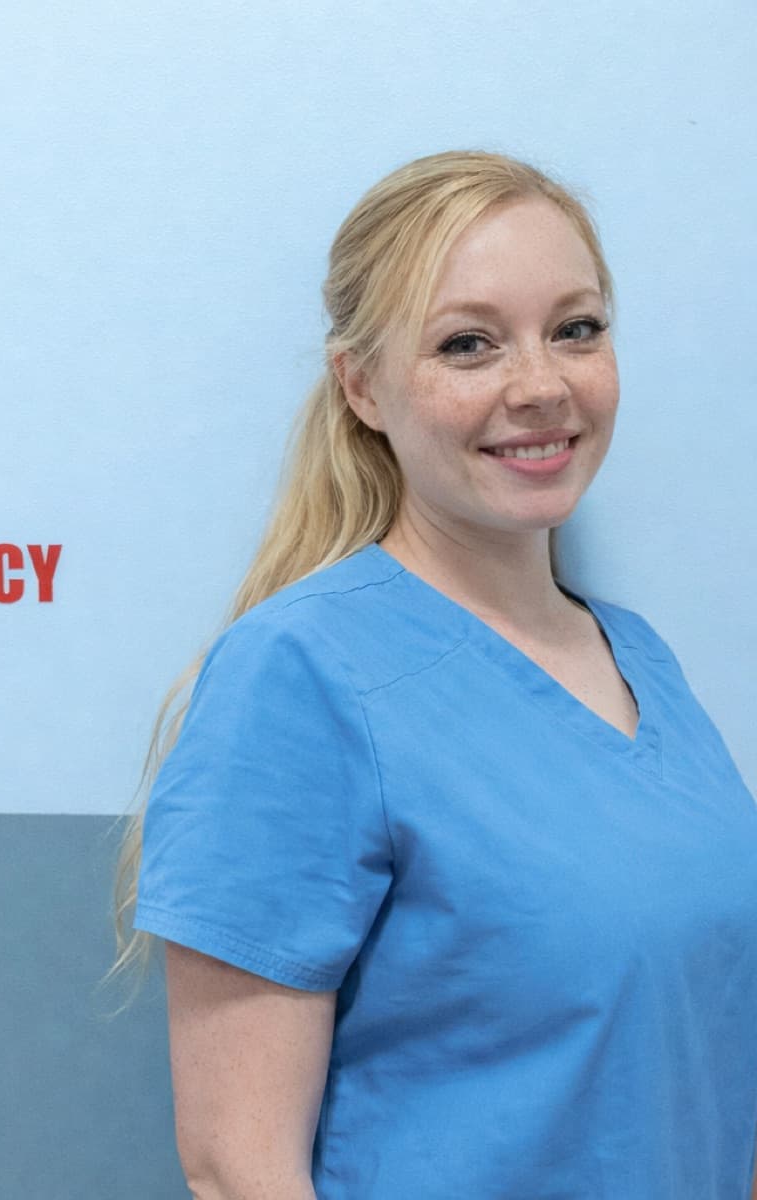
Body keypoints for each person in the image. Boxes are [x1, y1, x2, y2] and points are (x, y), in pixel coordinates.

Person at [110, 150, 757, 1199]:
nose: (540, 385)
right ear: (361, 386)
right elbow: (239, 1168)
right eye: (469, 344)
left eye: (576, 329)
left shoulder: (646, 662)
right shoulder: (302, 675)